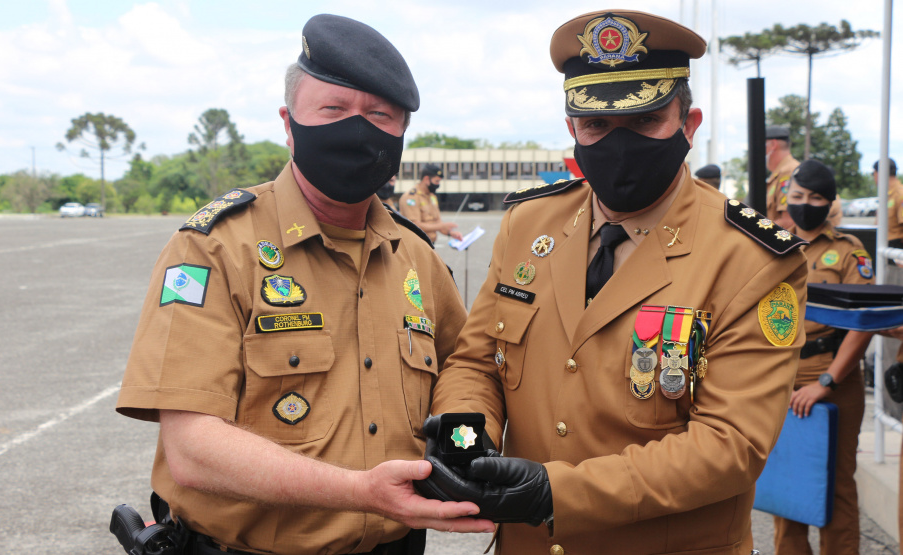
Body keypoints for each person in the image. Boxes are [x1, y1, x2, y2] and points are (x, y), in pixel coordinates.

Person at [417, 9, 808, 554]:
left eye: (645, 121)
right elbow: (477, 361)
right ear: (572, 129)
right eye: (597, 125)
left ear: (689, 124)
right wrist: (466, 437)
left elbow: (730, 445)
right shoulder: (529, 224)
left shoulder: (752, 259)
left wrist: (556, 493)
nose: (618, 145)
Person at [115, 14, 493, 555]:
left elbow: (467, 371)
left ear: (401, 133)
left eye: (379, 115)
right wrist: (360, 492)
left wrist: (469, 449)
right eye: (333, 110)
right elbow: (192, 450)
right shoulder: (216, 248)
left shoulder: (415, 257)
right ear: (289, 124)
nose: (357, 130)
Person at [771, 160, 874, 555]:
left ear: (830, 202)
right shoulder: (772, 244)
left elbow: (862, 322)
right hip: (783, 378)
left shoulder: (848, 251)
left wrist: (826, 382)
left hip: (834, 378)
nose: (804, 204)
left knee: (837, 483)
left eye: (815, 198)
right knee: (786, 480)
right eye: (797, 196)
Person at [399, 164, 463, 244]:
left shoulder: (432, 196)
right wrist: (442, 226)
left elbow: (437, 222)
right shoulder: (411, 197)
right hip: (416, 245)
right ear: (426, 179)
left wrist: (451, 233)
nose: (438, 185)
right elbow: (415, 225)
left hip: (430, 243)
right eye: (436, 181)